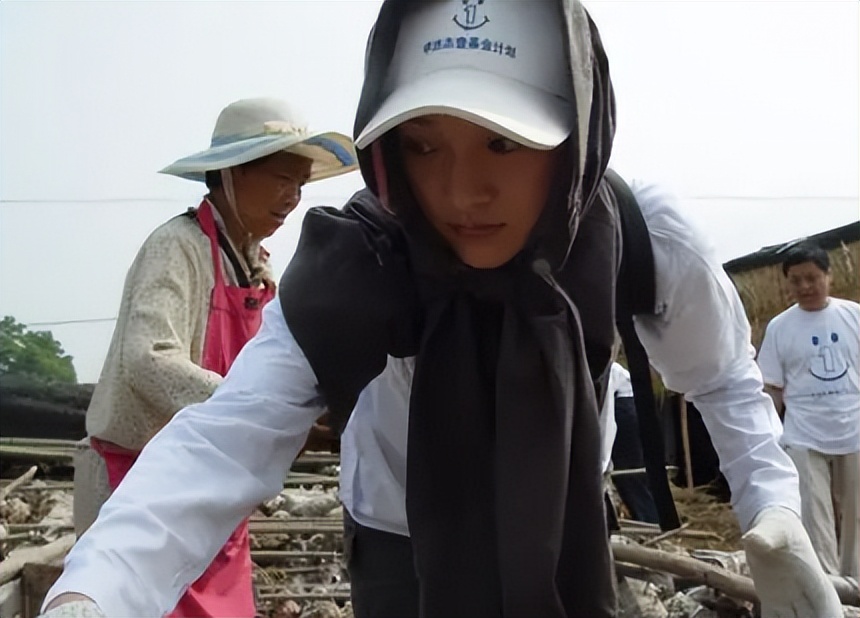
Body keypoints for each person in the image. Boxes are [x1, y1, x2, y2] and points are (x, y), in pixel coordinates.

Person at [43, 2, 843, 618]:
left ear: (576, 129)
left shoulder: (638, 237)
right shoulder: (356, 265)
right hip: (399, 542)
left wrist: (772, 504)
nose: (463, 192)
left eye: (505, 142)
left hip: (564, 524)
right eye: (424, 144)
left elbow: (723, 381)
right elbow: (223, 441)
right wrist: (96, 586)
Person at [70, 97, 357, 618]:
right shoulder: (176, 247)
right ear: (230, 173)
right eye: (279, 178)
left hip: (212, 486)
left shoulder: (260, 269)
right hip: (137, 482)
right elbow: (148, 359)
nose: (291, 197)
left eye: (300, 183)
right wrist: (251, 409)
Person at [757, 242, 860, 578]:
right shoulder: (779, 327)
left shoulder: (853, 316)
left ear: (828, 276)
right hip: (803, 434)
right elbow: (772, 387)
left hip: (853, 429)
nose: (804, 287)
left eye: (812, 278)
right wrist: (771, 438)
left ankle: (855, 582)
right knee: (814, 518)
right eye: (796, 280)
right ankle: (828, 587)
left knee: (856, 515)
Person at [599, 362, 660, 525]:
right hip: (629, 402)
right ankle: (649, 518)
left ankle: (650, 521)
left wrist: (602, 459)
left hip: (623, 405)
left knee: (629, 473)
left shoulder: (602, 367)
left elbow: (607, 417)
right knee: (631, 474)